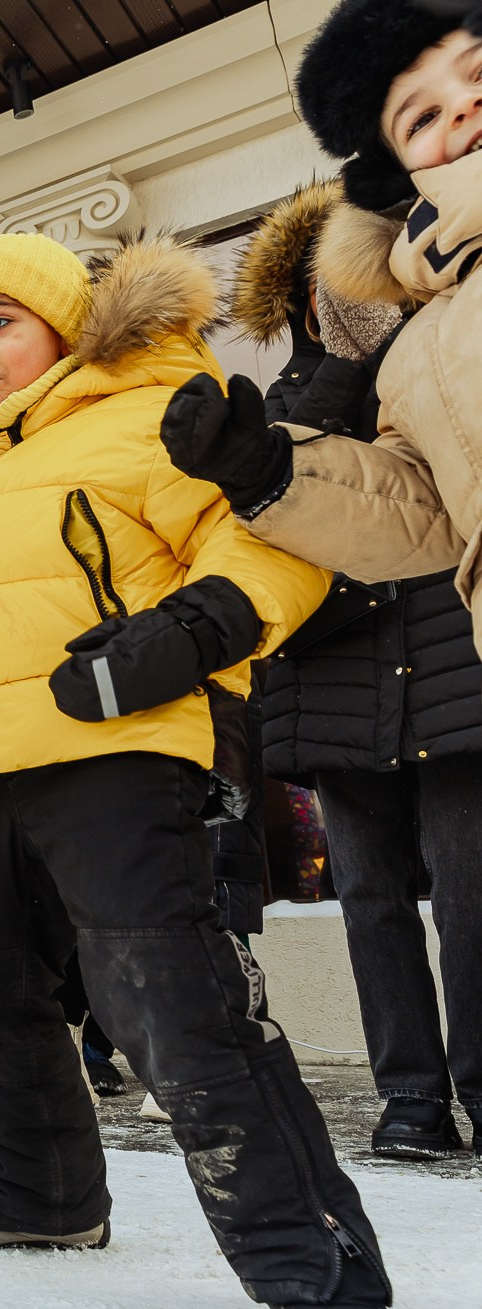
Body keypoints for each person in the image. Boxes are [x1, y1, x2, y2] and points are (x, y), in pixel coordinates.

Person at [0, 229, 413, 1309]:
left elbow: (276, 543)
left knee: (177, 1008)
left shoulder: (158, 417)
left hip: (119, 758)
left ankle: (318, 1274)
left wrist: (193, 632)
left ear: (67, 323)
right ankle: (38, 1185)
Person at [236, 177, 482, 1162]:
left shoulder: (450, 356)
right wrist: (342, 370)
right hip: (336, 679)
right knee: (372, 901)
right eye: (322, 285)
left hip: (452, 662)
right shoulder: (289, 403)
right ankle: (411, 1098)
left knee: (471, 891)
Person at [163, 0, 482, 659]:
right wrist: (267, 470)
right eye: (421, 117)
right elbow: (423, 510)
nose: (459, 107)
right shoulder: (417, 356)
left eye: (477, 73)